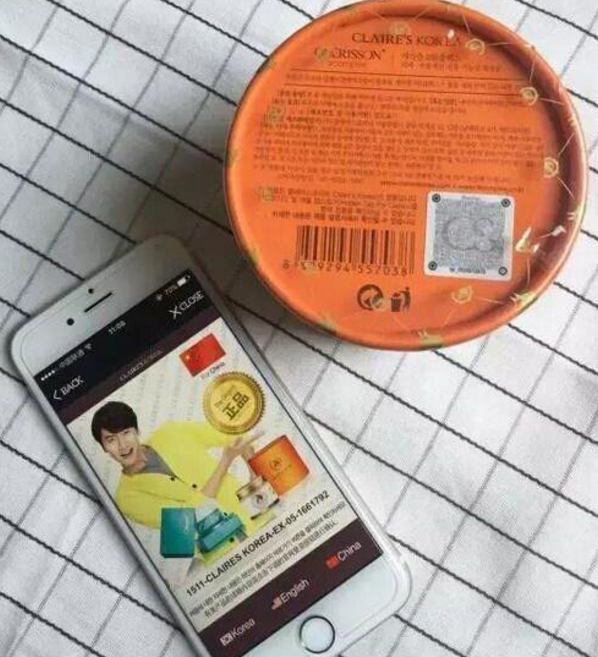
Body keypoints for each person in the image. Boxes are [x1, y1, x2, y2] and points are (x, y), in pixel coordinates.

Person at [90, 401, 263, 558]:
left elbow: (234, 435)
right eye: (111, 440)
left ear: (137, 431)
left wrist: (254, 478)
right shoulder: (126, 499)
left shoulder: (171, 433)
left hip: (259, 515)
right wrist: (225, 461)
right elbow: (187, 518)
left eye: (126, 433)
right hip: (225, 553)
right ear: (104, 448)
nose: (122, 445)